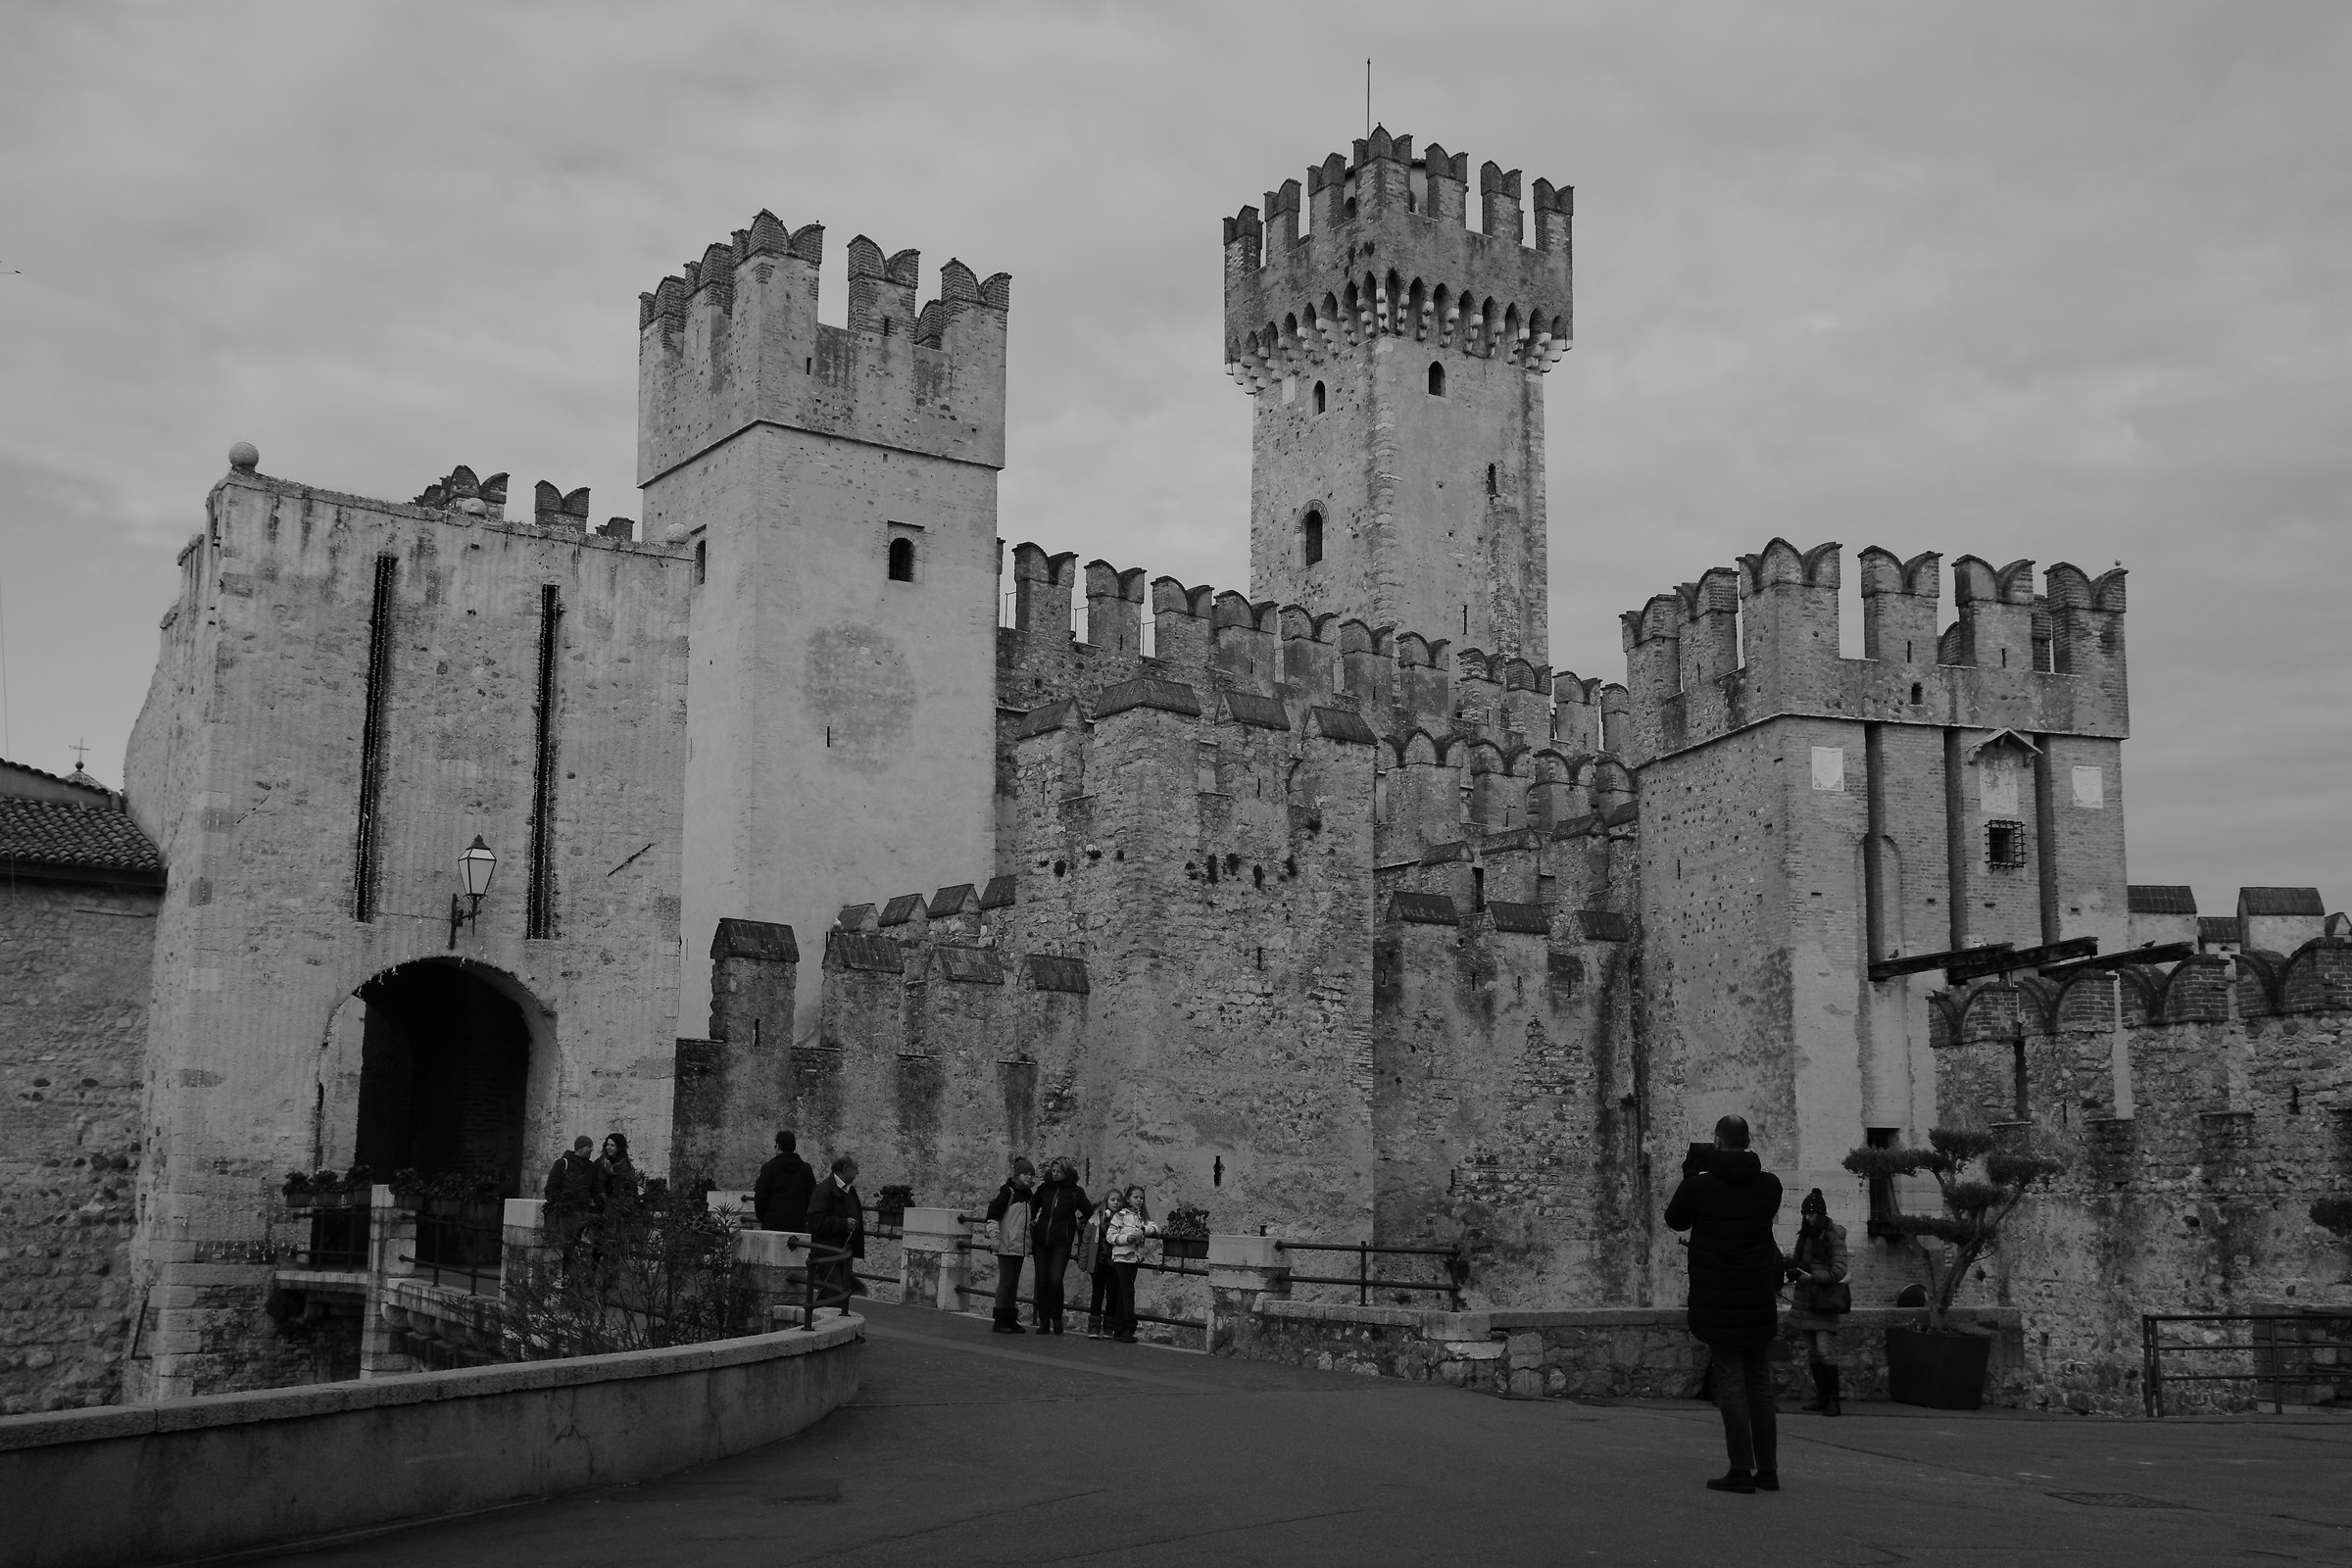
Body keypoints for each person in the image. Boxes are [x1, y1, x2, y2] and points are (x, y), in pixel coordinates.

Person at [1664, 1114, 1786, 1494]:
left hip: (1718, 1296)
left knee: (1731, 1381)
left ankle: (1739, 1468)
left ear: (1716, 1141)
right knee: (1760, 1384)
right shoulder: (1770, 1186)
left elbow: (1675, 1221)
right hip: (1757, 1296)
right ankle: (1767, 1470)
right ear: (1748, 1141)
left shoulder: (1701, 1186)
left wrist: (1692, 1176)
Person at [1787, 1188, 1851, 1416]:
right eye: (1805, 1213)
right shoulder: (1805, 1236)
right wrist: (1793, 1269)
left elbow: (1840, 1270)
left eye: (1811, 1214)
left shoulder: (1833, 1236)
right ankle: (1822, 1397)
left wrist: (1814, 1277)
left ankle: (1833, 1400)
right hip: (1806, 1300)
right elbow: (1799, 1262)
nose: (1807, 1217)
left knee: (1824, 1350)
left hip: (1824, 1301)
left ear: (1820, 1214)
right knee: (1813, 1351)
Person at [1025, 1157, 1093, 1335]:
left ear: (1066, 1173)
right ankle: (1044, 1320)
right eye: (1053, 1170)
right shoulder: (1044, 1188)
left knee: (1055, 1280)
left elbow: (1089, 1211)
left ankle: (1057, 1317)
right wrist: (1031, 1220)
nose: (1054, 1174)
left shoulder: (1075, 1192)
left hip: (1061, 1242)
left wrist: (1078, 1224)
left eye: (1058, 1171)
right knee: (1042, 1281)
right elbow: (1032, 1206)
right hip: (1041, 1240)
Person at [983, 1157, 1038, 1334]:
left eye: (1031, 1174)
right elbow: (993, 1214)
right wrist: (994, 1236)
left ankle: (1010, 1318)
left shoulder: (1029, 1195)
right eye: (1026, 1174)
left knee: (1013, 1283)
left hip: (1020, 1245)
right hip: (1006, 1243)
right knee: (1006, 1282)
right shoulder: (1008, 1193)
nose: (1029, 1177)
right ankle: (999, 1320)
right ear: (1017, 1175)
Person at [804, 1154, 865, 1309]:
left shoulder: (849, 1190)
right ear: (845, 1169)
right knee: (837, 1294)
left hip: (843, 1252)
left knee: (833, 1292)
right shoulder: (824, 1190)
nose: (857, 1173)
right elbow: (815, 1222)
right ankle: (835, 1325)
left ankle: (817, 1320)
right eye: (855, 1169)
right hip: (828, 1252)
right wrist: (844, 1224)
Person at [1102, 1186, 1161, 1344]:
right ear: (1128, 1199)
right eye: (1136, 1197)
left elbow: (1155, 1228)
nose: (1139, 1200)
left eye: (1141, 1198)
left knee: (1124, 1292)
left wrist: (1143, 1230)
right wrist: (1126, 1239)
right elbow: (1111, 1236)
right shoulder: (1120, 1216)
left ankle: (1119, 1329)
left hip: (1134, 1259)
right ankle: (1129, 1327)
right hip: (1121, 1257)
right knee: (1128, 1291)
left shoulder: (1141, 1217)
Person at [543, 1136, 601, 1266]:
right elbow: (551, 1187)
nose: (592, 1150)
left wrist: (592, 1209)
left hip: (583, 1216)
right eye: (589, 1146)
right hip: (565, 1215)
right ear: (580, 1147)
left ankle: (572, 1279)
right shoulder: (562, 1163)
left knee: (578, 1248)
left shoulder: (591, 1167)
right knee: (563, 1248)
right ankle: (563, 1277)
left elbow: (595, 1190)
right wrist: (562, 1204)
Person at [1080, 1187, 1125, 1338]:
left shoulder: (1124, 1219)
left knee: (1113, 1294)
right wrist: (1083, 1260)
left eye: (1119, 1200)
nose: (1116, 1203)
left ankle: (1108, 1327)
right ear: (1107, 1201)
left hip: (1114, 1263)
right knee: (1097, 1294)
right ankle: (1093, 1327)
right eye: (1113, 1200)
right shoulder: (1097, 1218)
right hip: (1098, 1261)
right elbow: (1087, 1239)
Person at [754, 1129, 816, 1234]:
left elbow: (761, 1195)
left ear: (778, 1146)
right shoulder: (806, 1169)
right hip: (797, 1223)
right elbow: (813, 1195)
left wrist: (762, 1216)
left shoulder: (768, 1168)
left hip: (772, 1223)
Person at [596, 1133, 641, 1211]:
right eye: (607, 1145)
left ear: (619, 1147)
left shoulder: (625, 1165)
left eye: (612, 1145)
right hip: (602, 1204)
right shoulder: (601, 1162)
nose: (609, 1148)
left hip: (621, 1205)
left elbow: (630, 1187)